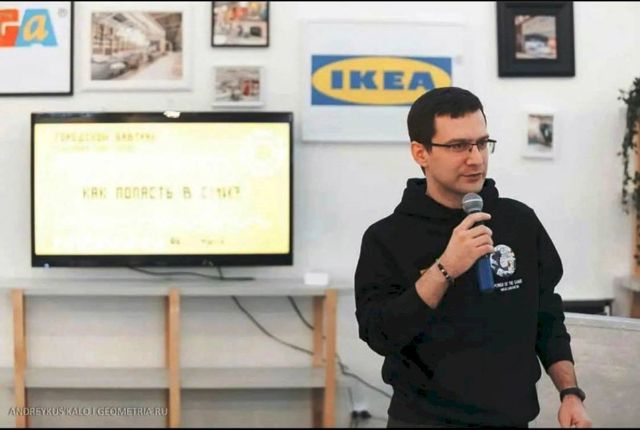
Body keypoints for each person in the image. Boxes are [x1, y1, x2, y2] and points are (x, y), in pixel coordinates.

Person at [354, 87, 592, 428]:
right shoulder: (387, 238)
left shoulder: (519, 222)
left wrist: (570, 393)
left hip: (511, 421)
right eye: (458, 146)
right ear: (420, 153)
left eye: (481, 143)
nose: (476, 158)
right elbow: (380, 335)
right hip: (423, 421)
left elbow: (547, 317)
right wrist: (445, 267)